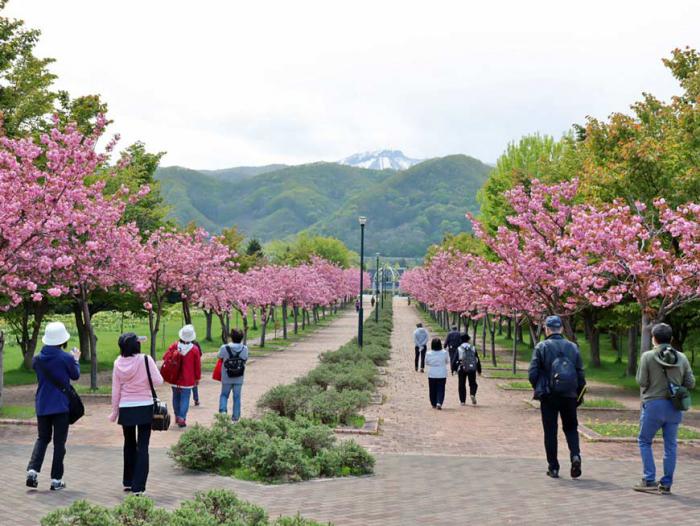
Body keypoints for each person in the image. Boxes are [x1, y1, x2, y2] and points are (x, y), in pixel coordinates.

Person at [633, 323, 696, 495]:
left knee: (645, 441)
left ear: (654, 338)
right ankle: (666, 483)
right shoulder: (682, 357)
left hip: (653, 405)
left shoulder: (647, 356)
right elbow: (690, 383)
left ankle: (648, 479)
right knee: (670, 446)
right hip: (674, 406)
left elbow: (641, 382)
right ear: (671, 339)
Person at [528, 315, 585, 479]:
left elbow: (533, 373)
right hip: (569, 395)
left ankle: (553, 466)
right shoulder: (573, 347)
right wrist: (578, 393)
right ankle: (575, 455)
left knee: (550, 431)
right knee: (571, 428)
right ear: (561, 328)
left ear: (546, 329)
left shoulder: (542, 347)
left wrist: (538, 388)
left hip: (549, 395)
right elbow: (580, 372)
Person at [26, 322, 80, 491]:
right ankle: (56, 479)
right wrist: (76, 360)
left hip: (42, 404)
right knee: (59, 443)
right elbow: (75, 375)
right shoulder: (66, 358)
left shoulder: (37, 359)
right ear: (62, 340)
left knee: (42, 438)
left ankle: (33, 470)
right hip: (60, 406)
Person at [109, 333, 163, 495]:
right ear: (136, 345)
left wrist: (114, 412)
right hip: (144, 406)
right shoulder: (145, 360)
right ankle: (138, 487)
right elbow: (158, 381)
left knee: (129, 444)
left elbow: (116, 390)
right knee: (143, 446)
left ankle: (128, 481)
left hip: (126, 407)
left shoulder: (117, 363)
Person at [167, 324, 202, 428]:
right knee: (185, 398)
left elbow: (166, 358)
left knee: (175, 397)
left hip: (175, 377)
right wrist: (197, 377)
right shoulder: (195, 349)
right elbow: (197, 366)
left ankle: (177, 416)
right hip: (188, 379)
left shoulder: (174, 346)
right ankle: (182, 417)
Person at [217, 328, 249, 422]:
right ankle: (235, 418)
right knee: (237, 397)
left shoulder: (224, 347)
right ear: (241, 338)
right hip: (239, 377)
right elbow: (245, 359)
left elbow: (219, 356)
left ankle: (223, 412)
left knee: (224, 395)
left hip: (227, 376)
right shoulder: (244, 348)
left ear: (231, 337)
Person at [453, 333, 482, 405]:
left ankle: (462, 401)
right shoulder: (473, 348)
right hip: (472, 368)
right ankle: (472, 394)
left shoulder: (459, 348)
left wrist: (453, 369)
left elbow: (454, 359)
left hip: (462, 368)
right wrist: (479, 370)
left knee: (461, 384)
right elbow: (477, 359)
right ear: (468, 339)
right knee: (473, 383)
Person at [425, 338, 449, 409]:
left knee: (432, 389)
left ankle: (433, 403)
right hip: (442, 373)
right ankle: (439, 402)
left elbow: (426, 362)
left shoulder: (428, 353)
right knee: (441, 389)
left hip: (432, 373)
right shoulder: (444, 352)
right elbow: (447, 361)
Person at [192, 343, 203, 407]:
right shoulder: (195, 344)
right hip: (194, 366)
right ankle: (196, 399)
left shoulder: (181, 343)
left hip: (185, 367)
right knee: (194, 384)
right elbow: (200, 354)